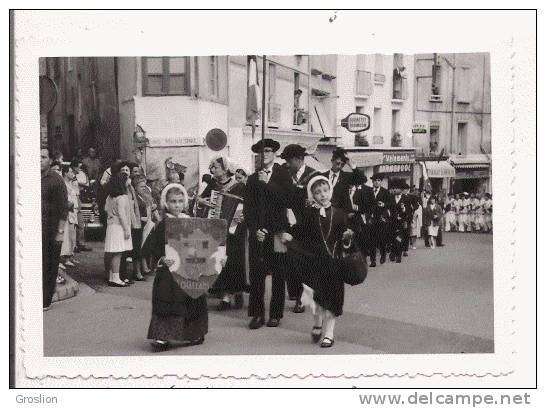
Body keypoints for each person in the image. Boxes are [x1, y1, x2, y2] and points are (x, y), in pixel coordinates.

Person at [282, 175, 355, 348]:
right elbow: (299, 231)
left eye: (325, 190)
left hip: (333, 263)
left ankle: (329, 333)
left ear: (330, 191)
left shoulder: (339, 214)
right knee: (314, 299)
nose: (322, 195)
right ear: (312, 196)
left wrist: (347, 238)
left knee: (333, 299)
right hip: (314, 262)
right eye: (317, 192)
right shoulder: (309, 214)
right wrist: (289, 234)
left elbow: (347, 239)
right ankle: (317, 322)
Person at [147, 184, 209, 351]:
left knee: (191, 299)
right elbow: (154, 247)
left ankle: (193, 333)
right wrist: (162, 258)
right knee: (167, 300)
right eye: (173, 201)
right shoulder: (163, 224)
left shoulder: (189, 221)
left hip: (189, 268)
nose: (177, 205)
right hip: (169, 271)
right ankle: (162, 336)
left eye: (180, 201)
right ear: (166, 203)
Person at [244, 138, 293, 329]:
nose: (265, 154)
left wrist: (269, 184)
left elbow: (288, 200)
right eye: (261, 152)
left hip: (277, 232)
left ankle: (275, 313)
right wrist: (255, 229)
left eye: (269, 151)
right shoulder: (252, 178)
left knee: (279, 274)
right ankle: (257, 314)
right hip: (259, 233)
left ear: (274, 154)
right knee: (257, 274)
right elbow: (248, 207)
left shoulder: (282, 175)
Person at [200, 156, 247, 311]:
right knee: (221, 260)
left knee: (234, 260)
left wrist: (243, 214)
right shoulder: (213, 184)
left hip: (235, 228)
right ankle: (227, 294)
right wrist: (204, 202)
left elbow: (248, 203)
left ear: (225, 169)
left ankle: (233, 293)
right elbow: (200, 199)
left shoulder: (239, 186)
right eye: (211, 167)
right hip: (217, 228)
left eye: (215, 167)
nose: (212, 170)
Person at [281, 144, 320, 314]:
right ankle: (296, 295)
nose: (287, 164)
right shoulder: (284, 175)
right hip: (290, 226)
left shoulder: (314, 176)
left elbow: (321, 201)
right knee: (291, 263)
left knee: (306, 264)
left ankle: (303, 298)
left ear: (298, 159)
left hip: (308, 227)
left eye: (289, 161)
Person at [41, 148, 68, 310]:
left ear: (50, 160)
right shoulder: (31, 177)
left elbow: (63, 208)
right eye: (37, 157)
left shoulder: (56, 180)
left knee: (49, 265)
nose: (39, 160)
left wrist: (60, 232)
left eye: (43, 157)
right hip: (36, 229)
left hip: (51, 230)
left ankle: (45, 300)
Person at [103, 171, 133, 287]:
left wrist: (111, 213)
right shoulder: (123, 197)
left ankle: (112, 276)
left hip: (111, 226)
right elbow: (122, 214)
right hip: (119, 227)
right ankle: (116, 278)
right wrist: (126, 229)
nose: (129, 181)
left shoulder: (110, 196)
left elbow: (106, 209)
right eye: (127, 179)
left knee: (112, 253)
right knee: (118, 253)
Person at [367, 174, 392, 266]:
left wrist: (384, 204)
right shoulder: (369, 191)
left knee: (381, 239)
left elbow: (391, 204)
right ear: (372, 182)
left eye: (378, 180)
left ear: (381, 182)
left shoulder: (385, 192)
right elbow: (366, 203)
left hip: (381, 218)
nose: (377, 182)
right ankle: (373, 261)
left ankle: (383, 254)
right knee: (371, 240)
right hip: (371, 219)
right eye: (375, 180)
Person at [59, 164, 79, 270]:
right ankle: (64, 258)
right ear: (65, 173)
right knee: (67, 237)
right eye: (70, 172)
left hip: (73, 212)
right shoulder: (64, 184)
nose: (72, 174)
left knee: (72, 237)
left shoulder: (71, 184)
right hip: (68, 212)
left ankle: (70, 256)